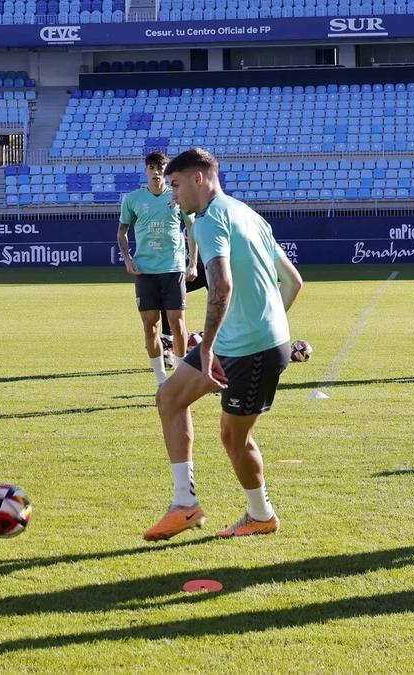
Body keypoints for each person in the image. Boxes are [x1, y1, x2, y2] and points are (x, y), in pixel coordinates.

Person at [144, 148, 303, 541]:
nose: (172, 194)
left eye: (176, 185)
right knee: (169, 398)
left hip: (249, 349)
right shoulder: (249, 213)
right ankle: (184, 504)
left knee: (234, 437)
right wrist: (270, 324)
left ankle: (261, 514)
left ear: (199, 178)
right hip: (242, 340)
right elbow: (294, 282)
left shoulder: (209, 219)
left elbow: (222, 285)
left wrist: (214, 345)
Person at [118, 151, 197, 386]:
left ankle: (181, 377)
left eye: (160, 167)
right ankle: (162, 380)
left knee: (177, 323)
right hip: (145, 270)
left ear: (166, 170)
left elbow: (192, 228)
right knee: (150, 325)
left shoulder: (178, 196)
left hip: (173, 268)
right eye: (151, 168)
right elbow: (122, 232)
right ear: (146, 171)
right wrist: (127, 258)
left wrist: (192, 262)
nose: (156, 172)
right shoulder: (132, 199)